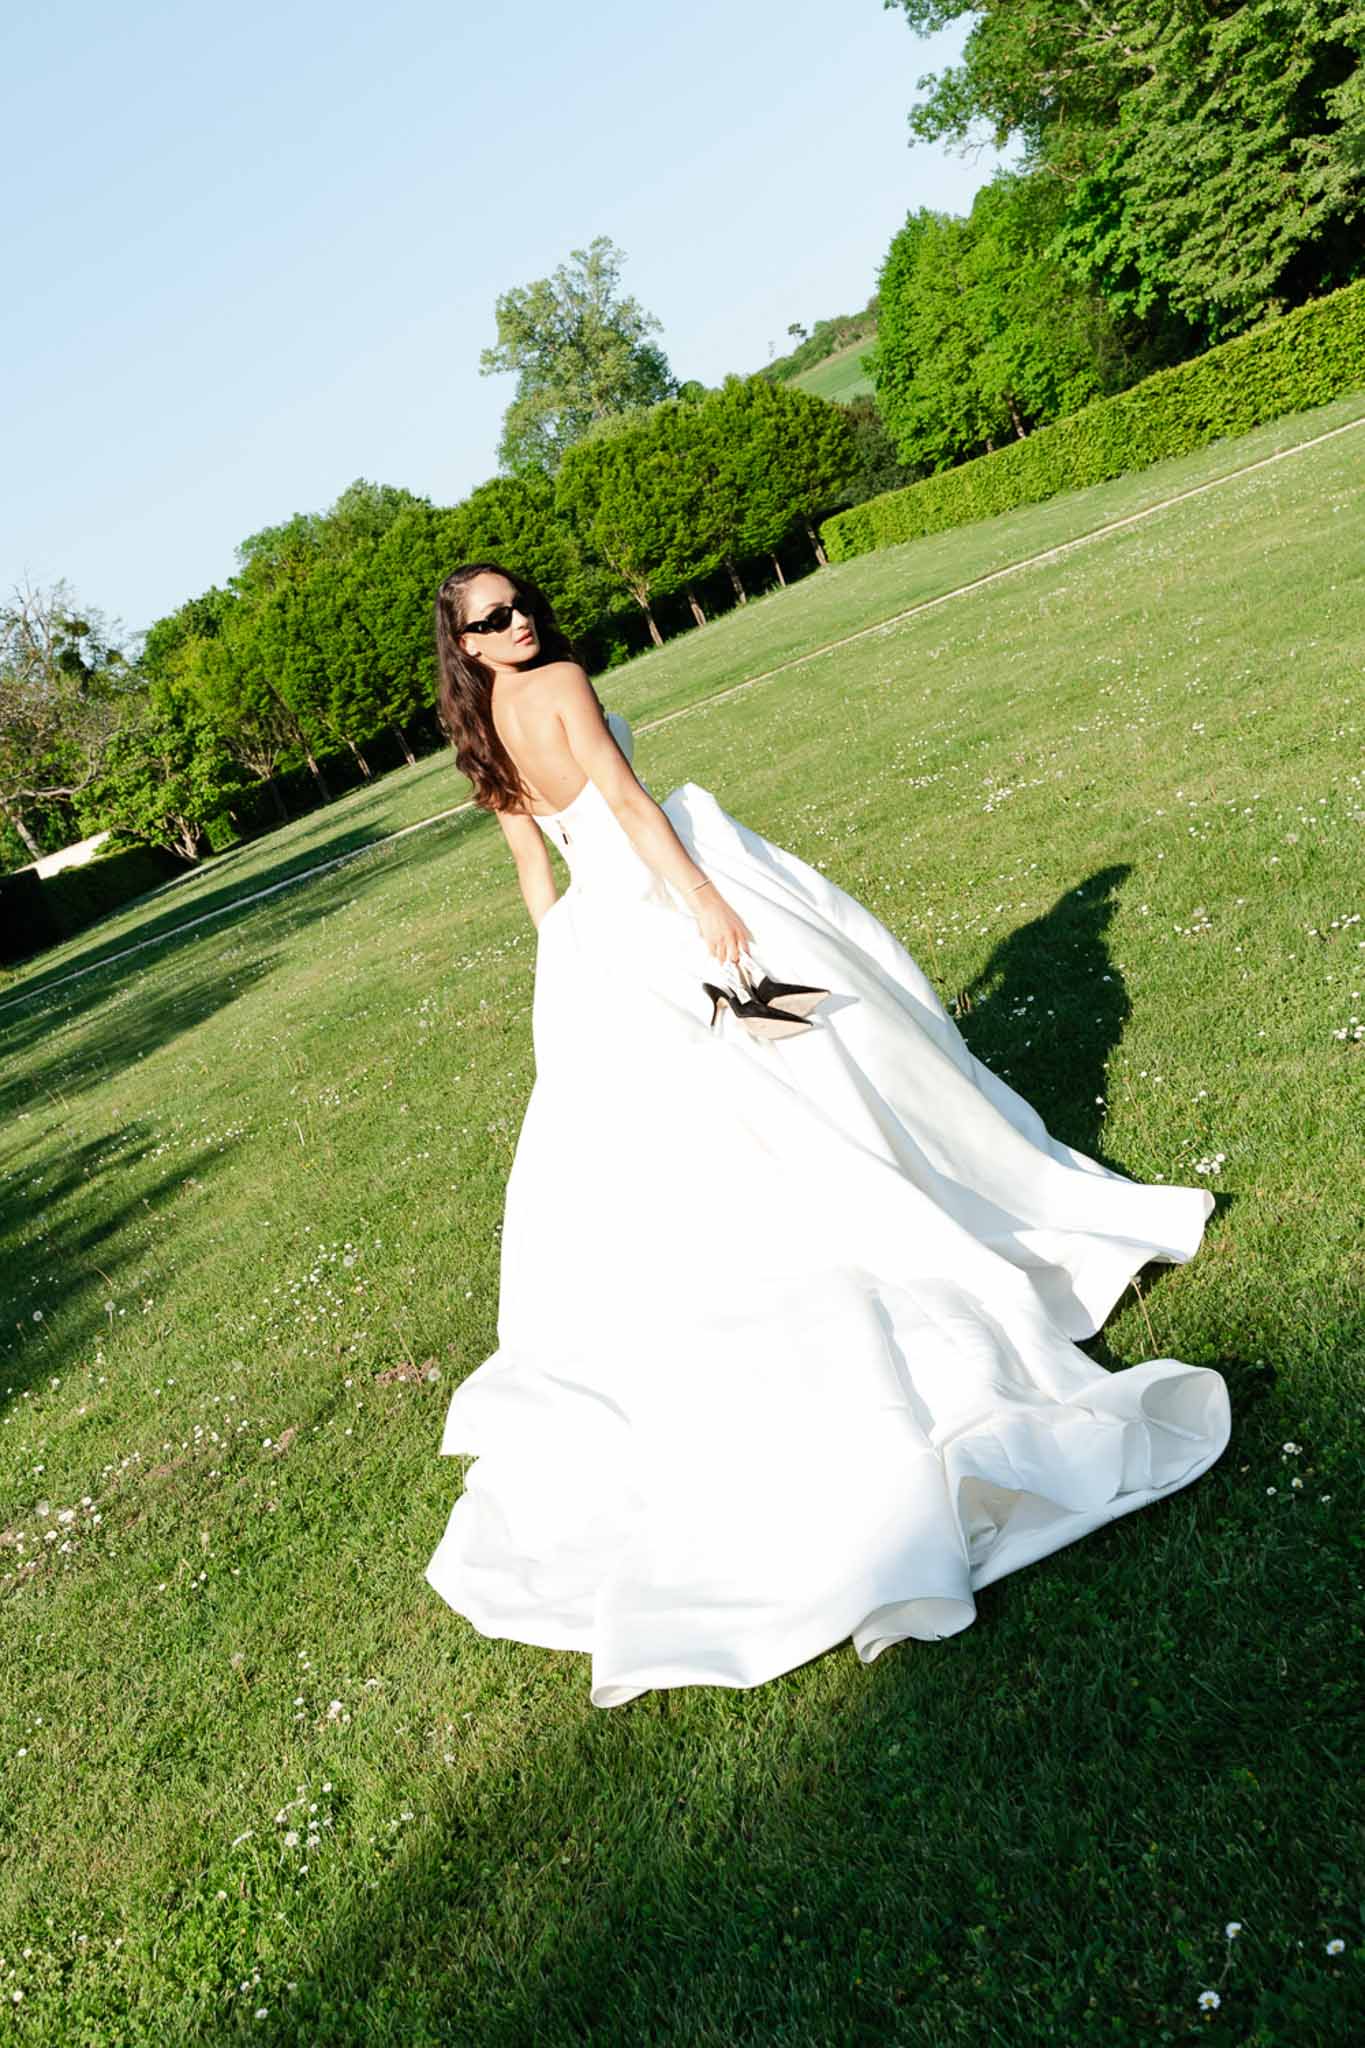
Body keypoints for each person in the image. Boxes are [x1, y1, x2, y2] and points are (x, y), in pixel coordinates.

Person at [423, 560, 1231, 1710]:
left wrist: (576, 974)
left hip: (603, 936)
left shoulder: (485, 723)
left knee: (753, 1103)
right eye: (492, 620)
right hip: (659, 904)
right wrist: (702, 902)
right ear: (470, 641)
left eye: (522, 603)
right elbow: (628, 802)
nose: (521, 622)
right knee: (818, 1051)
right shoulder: (555, 679)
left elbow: (537, 877)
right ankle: (902, 1214)